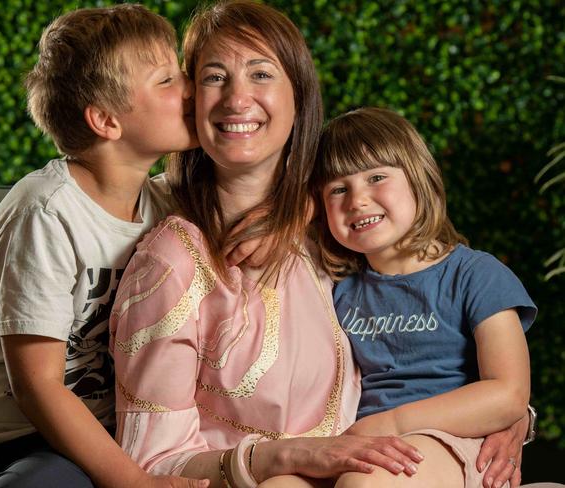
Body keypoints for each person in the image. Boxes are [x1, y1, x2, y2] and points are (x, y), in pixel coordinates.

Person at [110, 3, 429, 487]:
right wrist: (279, 459)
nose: (238, 99)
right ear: (191, 101)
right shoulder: (171, 264)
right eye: (215, 77)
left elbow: (440, 319)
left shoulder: (341, 221)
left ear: (299, 96)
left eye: (261, 74)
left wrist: (505, 410)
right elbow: (150, 463)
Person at [0, 4, 208, 488]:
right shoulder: (47, 212)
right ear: (106, 120)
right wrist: (134, 483)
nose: (191, 87)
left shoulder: (166, 204)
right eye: (166, 80)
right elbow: (37, 387)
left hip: (97, 443)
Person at [308, 107, 537, 488]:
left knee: (367, 484)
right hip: (360, 444)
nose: (357, 200)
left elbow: (509, 393)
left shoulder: (475, 274)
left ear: (420, 179)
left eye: (377, 177)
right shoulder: (338, 288)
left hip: (451, 441)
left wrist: (392, 423)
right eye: (338, 188)